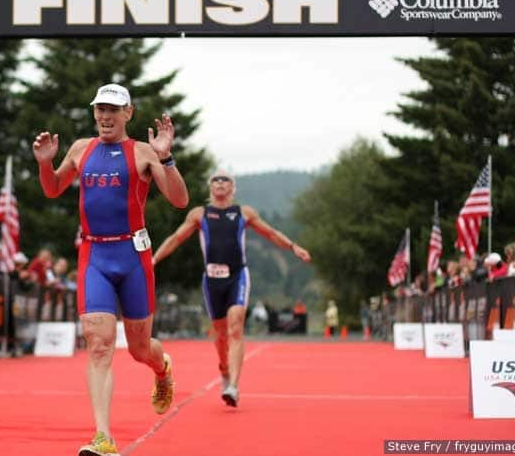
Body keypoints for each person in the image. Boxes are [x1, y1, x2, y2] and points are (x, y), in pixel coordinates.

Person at [32, 82, 189, 456]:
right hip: (94, 257)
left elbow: (180, 200)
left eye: (113, 110)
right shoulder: (80, 149)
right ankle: (103, 437)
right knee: (99, 344)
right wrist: (44, 164)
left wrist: (166, 158)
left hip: (133, 257)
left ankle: (162, 368)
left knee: (139, 349)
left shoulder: (143, 152)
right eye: (100, 109)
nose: (105, 117)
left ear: (128, 114)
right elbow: (52, 189)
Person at [152, 170, 311, 407]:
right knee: (220, 334)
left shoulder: (243, 213)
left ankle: (233, 387)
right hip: (212, 280)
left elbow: (269, 233)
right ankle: (224, 368)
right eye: (215, 179)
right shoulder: (199, 214)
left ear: (232, 188)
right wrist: (154, 260)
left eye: (225, 179)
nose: (220, 182)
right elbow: (176, 238)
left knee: (235, 326)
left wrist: (293, 246)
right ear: (210, 187)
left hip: (237, 275)